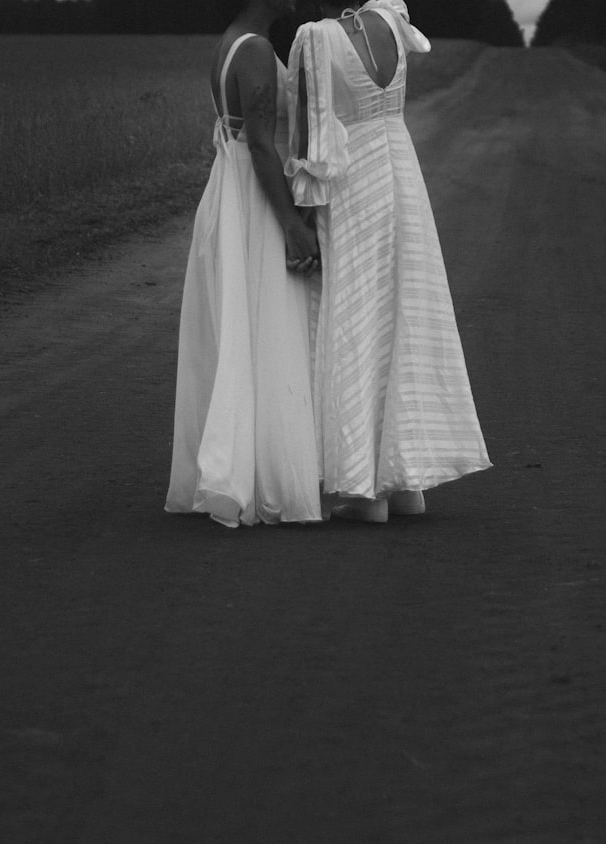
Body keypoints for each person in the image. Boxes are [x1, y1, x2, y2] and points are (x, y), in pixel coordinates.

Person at [285, 0, 491, 523]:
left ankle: (364, 489)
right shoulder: (393, 23)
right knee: (402, 314)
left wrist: (302, 216)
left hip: (352, 183)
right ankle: (407, 484)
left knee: (355, 317)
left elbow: (312, 138)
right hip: (401, 172)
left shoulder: (316, 38)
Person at [165, 0, 324, 527]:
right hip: (252, 199)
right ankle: (264, 475)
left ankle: (238, 465)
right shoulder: (255, 50)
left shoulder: (231, 40)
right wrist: (293, 225)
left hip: (227, 189)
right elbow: (260, 145)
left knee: (239, 328)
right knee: (264, 328)